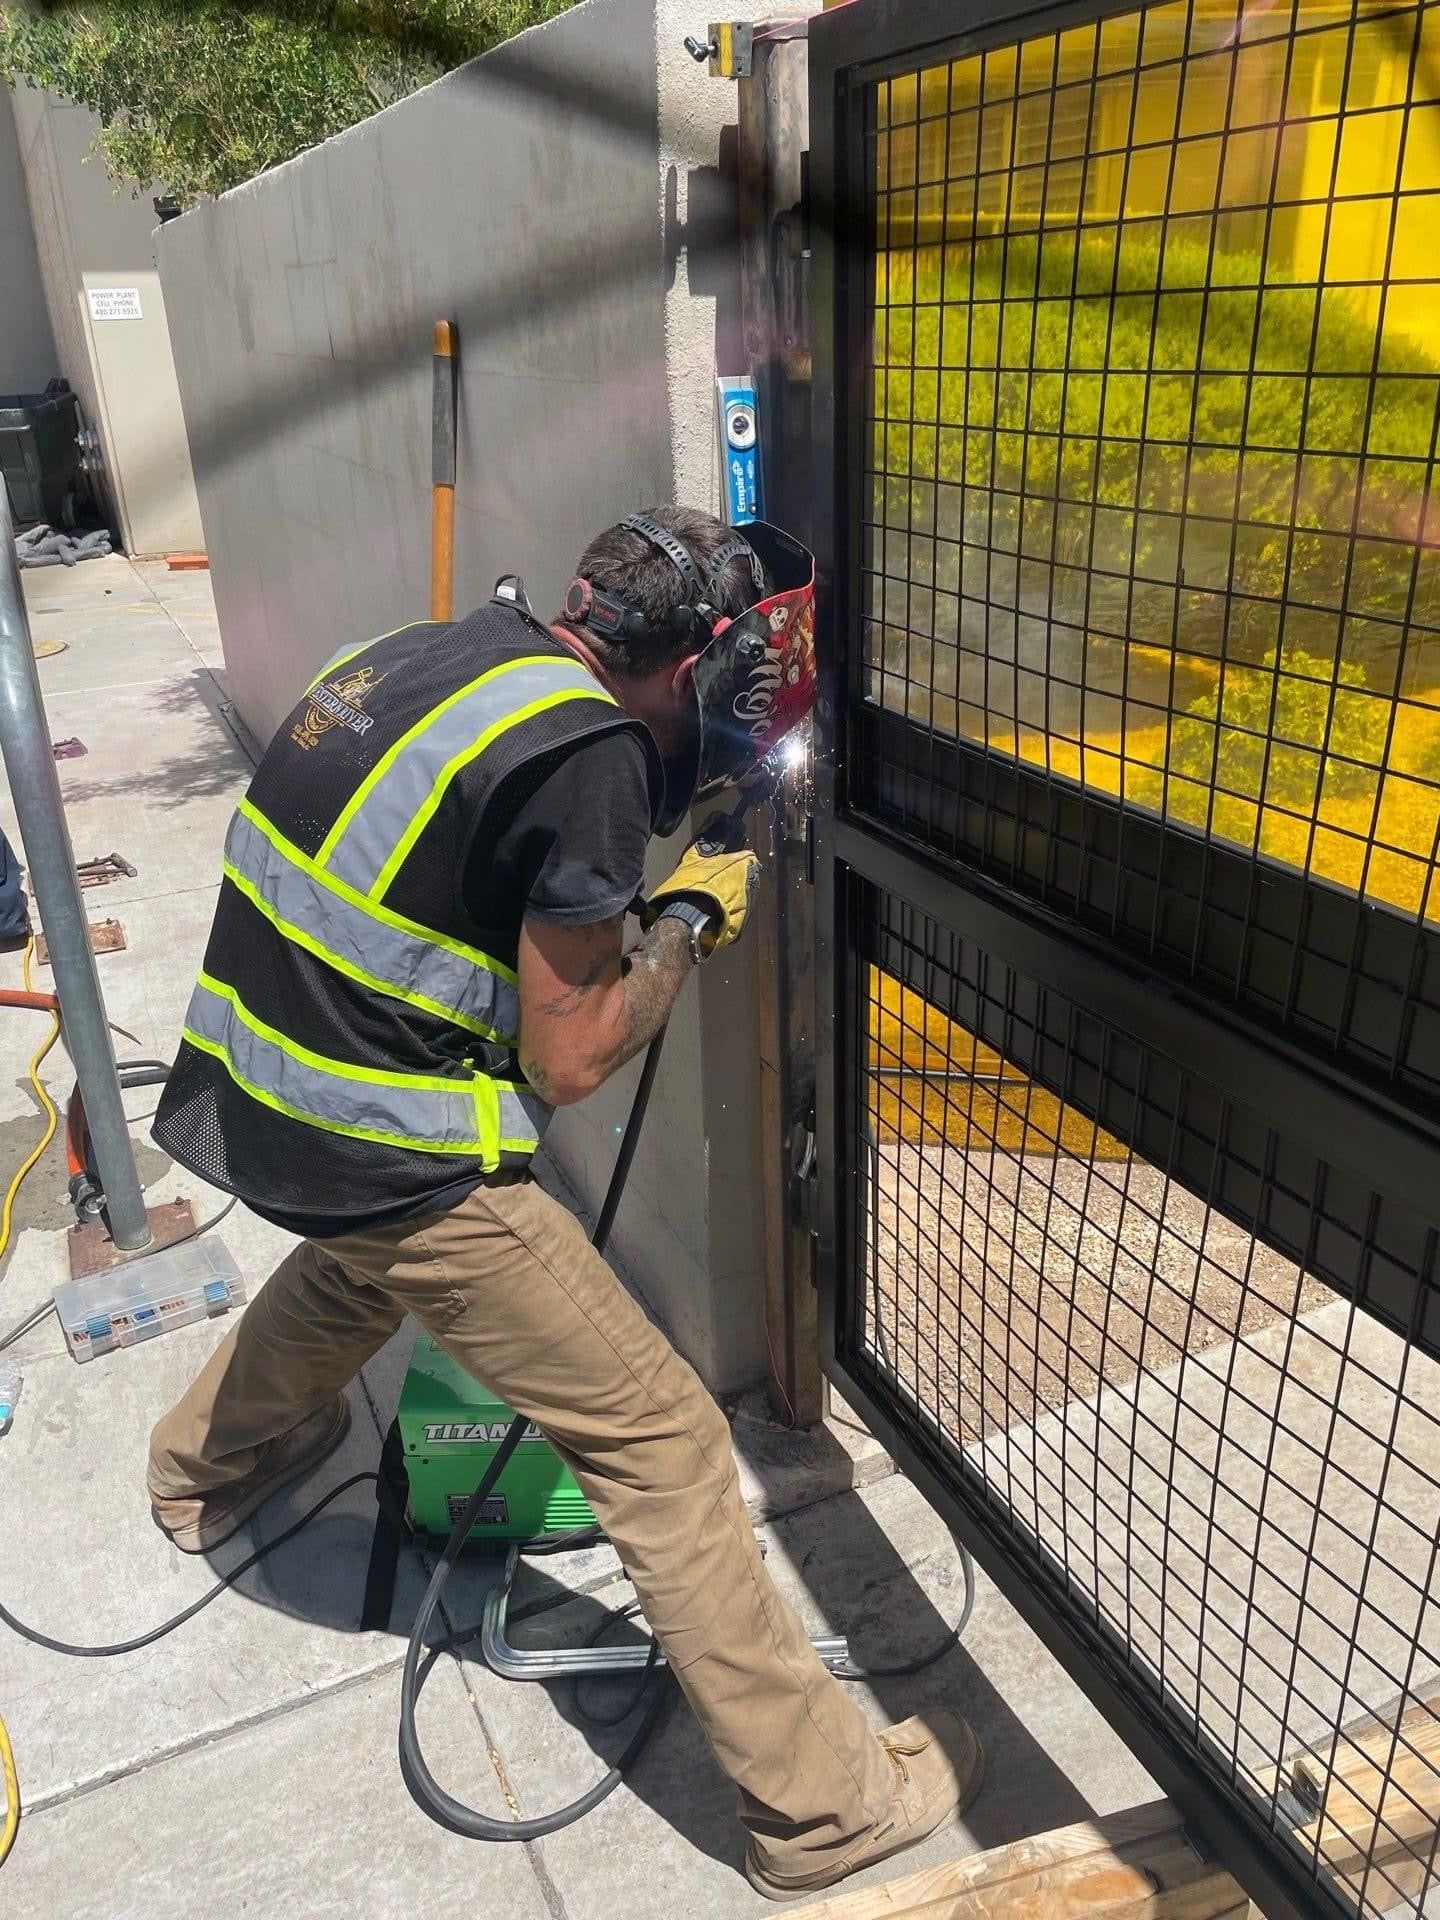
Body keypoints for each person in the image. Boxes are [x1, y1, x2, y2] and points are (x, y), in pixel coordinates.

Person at [145, 505, 983, 1899]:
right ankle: (824, 1815)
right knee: (660, 1439)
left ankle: (200, 1473)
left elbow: (460, 869)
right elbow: (576, 1054)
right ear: (693, 666)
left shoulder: (430, 652)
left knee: (358, 1273)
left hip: (262, 1102)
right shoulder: (584, 754)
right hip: (384, 1144)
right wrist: (686, 917)